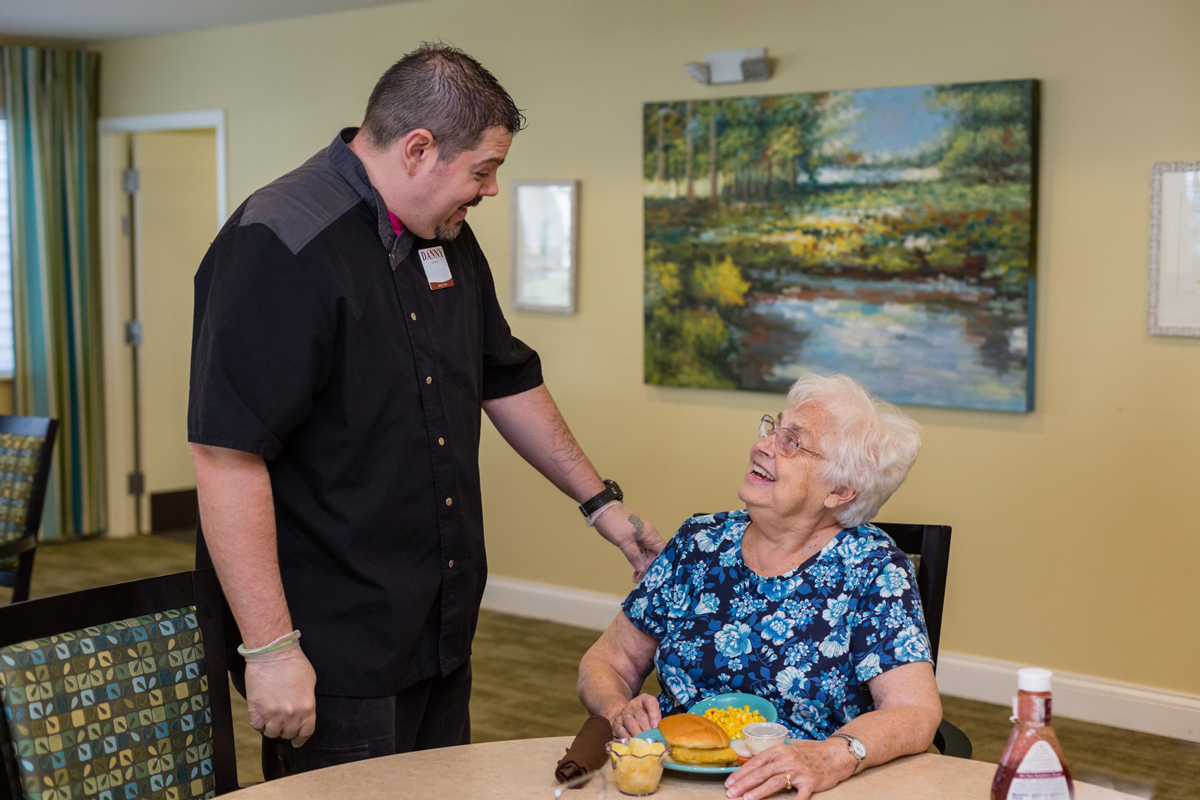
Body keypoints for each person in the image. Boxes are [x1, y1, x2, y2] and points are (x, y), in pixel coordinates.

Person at [187, 43, 664, 778]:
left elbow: (502, 375)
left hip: (437, 622)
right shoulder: (279, 241)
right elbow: (226, 455)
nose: (493, 190)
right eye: (484, 170)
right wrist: (271, 650)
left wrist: (600, 504)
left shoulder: (443, 234)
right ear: (418, 149)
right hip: (334, 643)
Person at [577, 373, 941, 800]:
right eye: (773, 428)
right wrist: (618, 709)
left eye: (792, 441)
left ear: (840, 490)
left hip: (800, 789)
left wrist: (831, 757)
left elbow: (914, 711)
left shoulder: (874, 570)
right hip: (677, 783)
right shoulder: (701, 542)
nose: (762, 445)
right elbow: (607, 661)